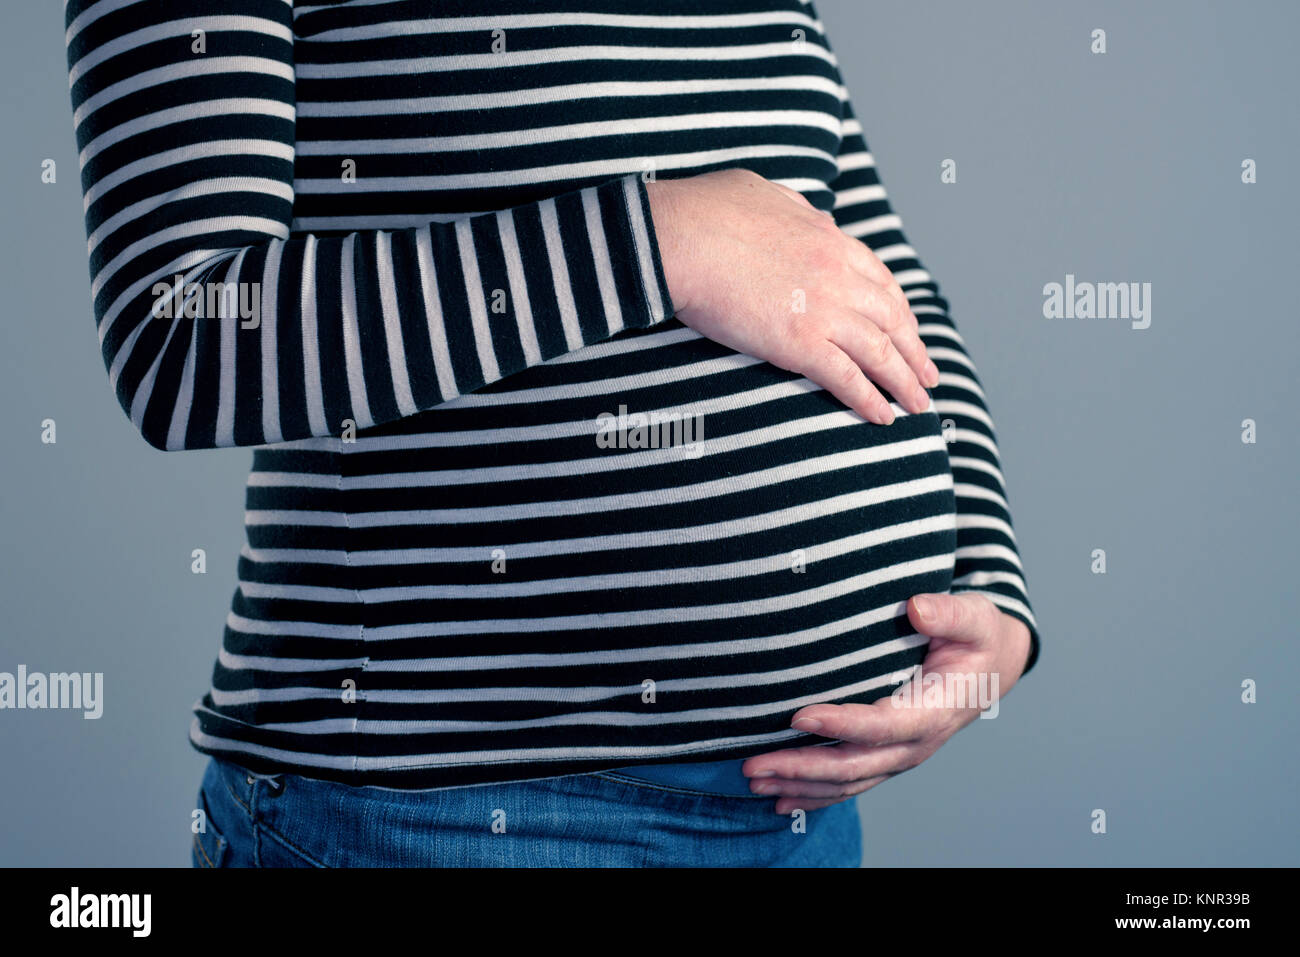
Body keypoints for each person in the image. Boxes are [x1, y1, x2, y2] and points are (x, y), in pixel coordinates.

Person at [65, 0, 1039, 867]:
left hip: (793, 808)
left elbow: (869, 275)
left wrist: (989, 592)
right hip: (447, 815)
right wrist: (659, 240)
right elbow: (182, 333)